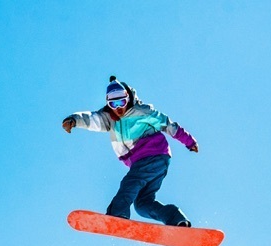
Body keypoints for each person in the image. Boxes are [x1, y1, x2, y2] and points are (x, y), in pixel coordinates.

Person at [62, 76, 199, 227]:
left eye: (122, 102)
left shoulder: (142, 112)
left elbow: (168, 125)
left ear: (128, 99)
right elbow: (91, 119)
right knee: (142, 204)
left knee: (130, 184)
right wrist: (74, 120)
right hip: (151, 162)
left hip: (152, 155)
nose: (119, 108)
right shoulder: (109, 118)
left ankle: (117, 214)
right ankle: (176, 219)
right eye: (113, 104)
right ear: (108, 104)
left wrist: (189, 142)